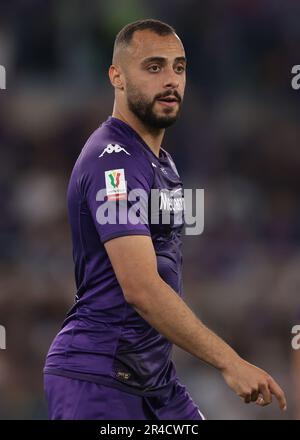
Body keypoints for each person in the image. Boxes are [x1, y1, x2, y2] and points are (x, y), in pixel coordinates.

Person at [43, 18, 287, 420]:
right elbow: (140, 287)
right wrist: (229, 360)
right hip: (98, 378)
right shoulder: (113, 164)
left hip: (155, 383)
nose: (171, 80)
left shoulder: (164, 165)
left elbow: (166, 268)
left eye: (179, 67)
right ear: (116, 76)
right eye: (154, 67)